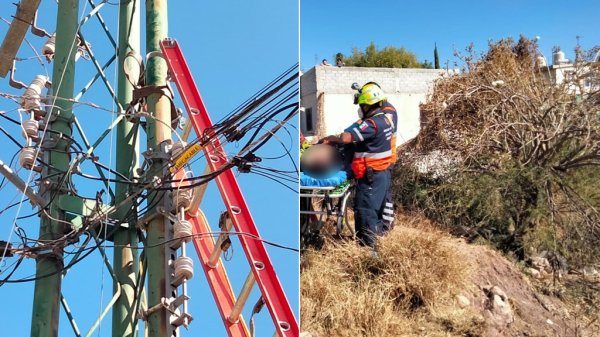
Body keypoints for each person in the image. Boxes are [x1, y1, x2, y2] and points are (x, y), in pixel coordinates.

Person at [320, 82, 397, 248]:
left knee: (366, 213)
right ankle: (376, 246)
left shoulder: (371, 123)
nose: (360, 109)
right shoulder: (387, 119)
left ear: (368, 105)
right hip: (381, 173)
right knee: (375, 213)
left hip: (370, 176)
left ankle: (369, 253)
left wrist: (336, 137)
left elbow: (347, 137)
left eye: (361, 105)